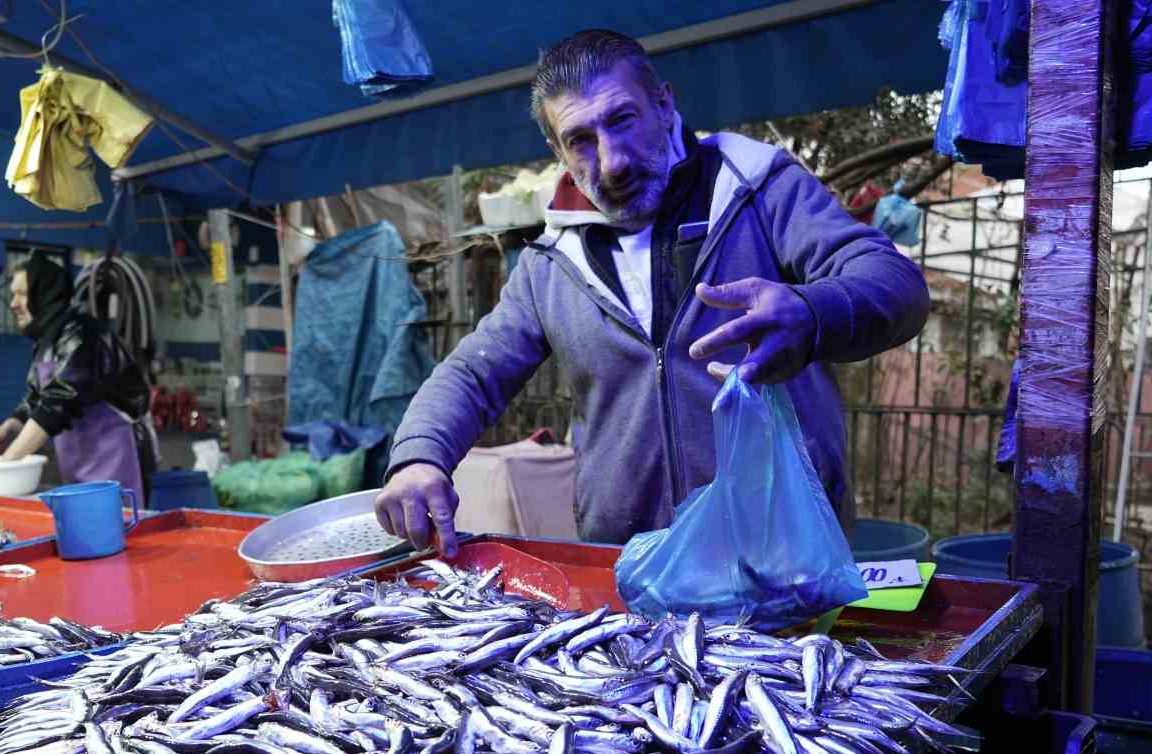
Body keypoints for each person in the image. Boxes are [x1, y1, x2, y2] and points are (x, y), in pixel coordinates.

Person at [376, 29, 929, 553]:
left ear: (664, 105)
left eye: (622, 119)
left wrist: (811, 313)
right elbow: (475, 371)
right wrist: (419, 458)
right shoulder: (551, 260)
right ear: (555, 149)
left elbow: (893, 283)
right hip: (633, 565)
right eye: (581, 140)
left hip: (784, 552)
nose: (612, 162)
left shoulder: (756, 188)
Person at [0, 254, 155, 502]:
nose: (14, 303)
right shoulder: (47, 340)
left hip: (115, 461)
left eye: (22, 294)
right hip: (79, 464)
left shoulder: (81, 333)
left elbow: (56, 403)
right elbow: (35, 400)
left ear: (45, 293)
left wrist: (6, 465)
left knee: (120, 529)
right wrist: (7, 429)